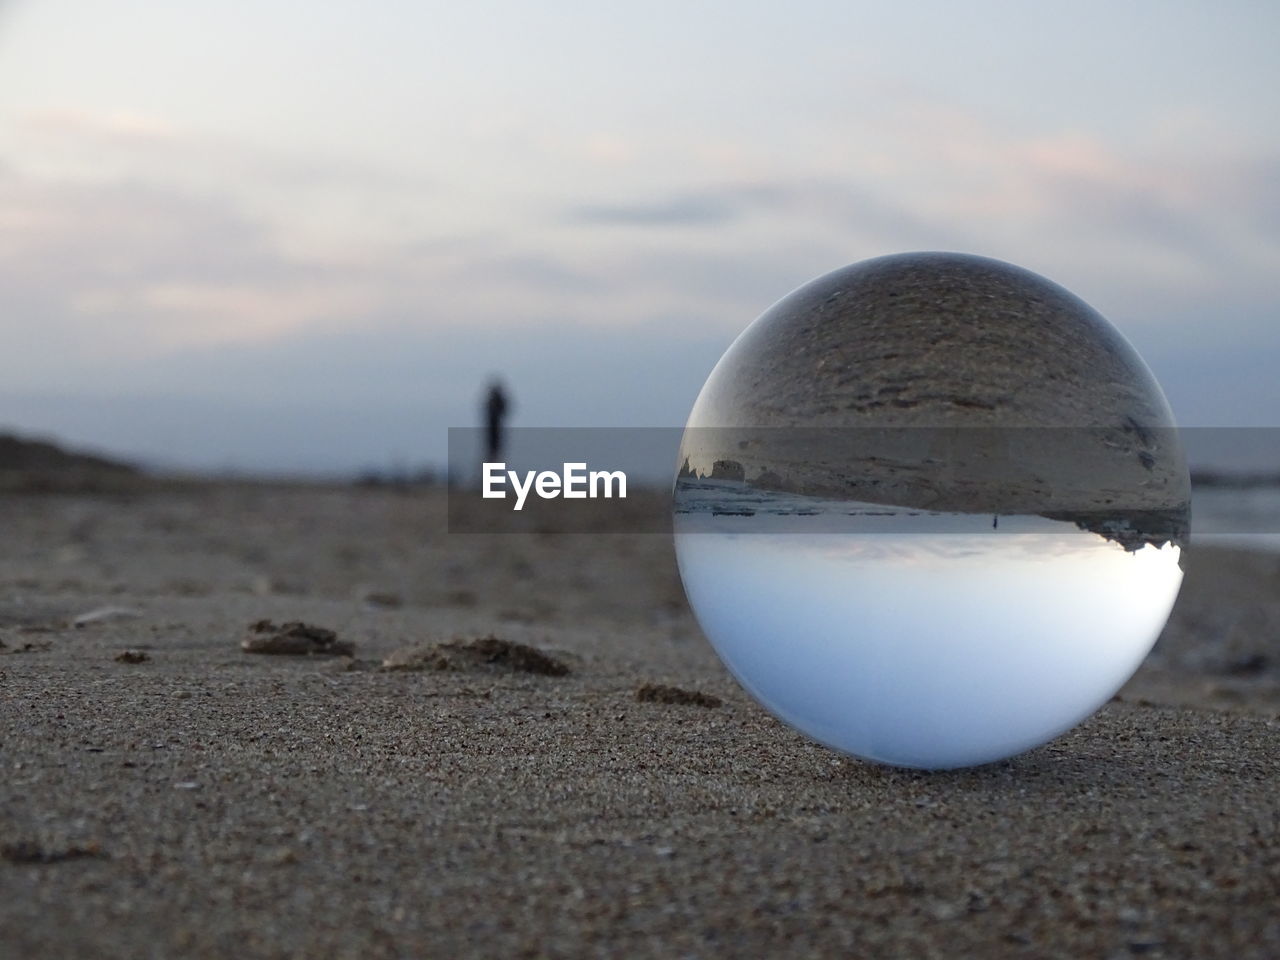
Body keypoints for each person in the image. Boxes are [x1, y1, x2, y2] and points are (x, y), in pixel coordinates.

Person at [483, 378, 510, 465]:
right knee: (493, 452)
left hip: (495, 431)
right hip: (493, 431)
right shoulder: (492, 404)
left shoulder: (496, 403)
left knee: (494, 453)